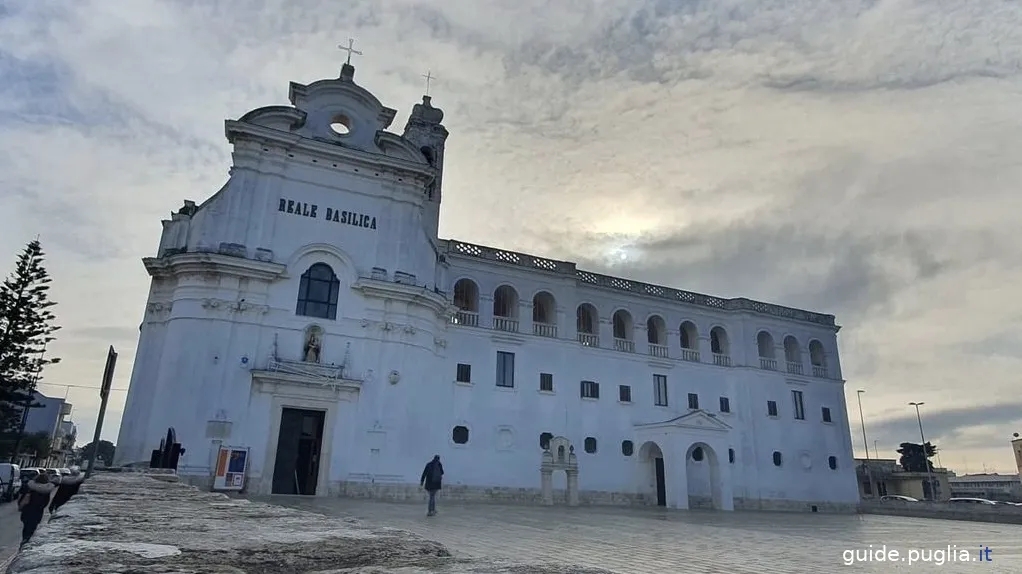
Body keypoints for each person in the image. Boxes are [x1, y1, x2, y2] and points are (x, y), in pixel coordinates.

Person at [17, 472, 55, 547]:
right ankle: (28, 543)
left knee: (26, 527)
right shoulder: (46, 491)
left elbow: (21, 498)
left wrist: (21, 506)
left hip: (27, 511)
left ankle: (24, 541)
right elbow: (46, 503)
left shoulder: (29, 487)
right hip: (38, 512)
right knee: (33, 528)